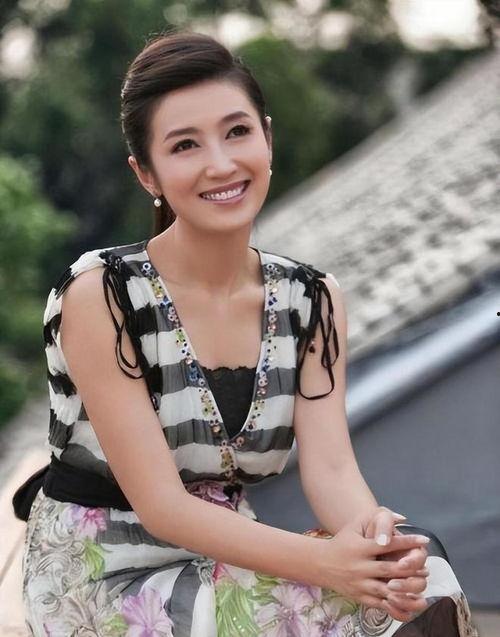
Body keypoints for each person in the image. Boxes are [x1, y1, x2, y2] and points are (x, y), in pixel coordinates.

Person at [14, 28, 478, 636]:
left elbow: (332, 470)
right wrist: (328, 565)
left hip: (233, 556)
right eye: (185, 145)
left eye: (237, 132)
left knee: (422, 573)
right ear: (146, 173)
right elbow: (162, 505)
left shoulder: (311, 300)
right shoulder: (104, 295)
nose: (221, 163)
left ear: (267, 138)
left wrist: (372, 543)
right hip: (106, 573)